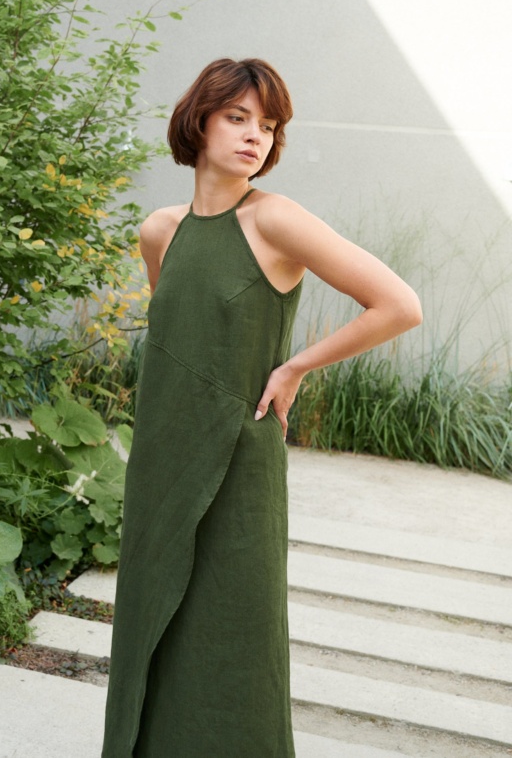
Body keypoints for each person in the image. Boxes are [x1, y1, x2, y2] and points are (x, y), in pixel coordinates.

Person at [101, 58, 422, 758]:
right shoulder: (161, 230)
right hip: (161, 460)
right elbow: (182, 343)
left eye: (268, 125)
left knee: (233, 642)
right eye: (238, 117)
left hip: (239, 464)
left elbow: (400, 305)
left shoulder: (275, 221)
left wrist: (299, 364)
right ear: (200, 120)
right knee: (152, 628)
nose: (256, 136)